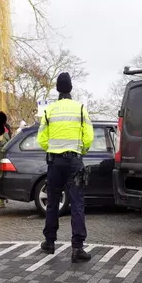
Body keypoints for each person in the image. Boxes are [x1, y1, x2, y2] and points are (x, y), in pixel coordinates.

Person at [37, 72, 94, 263]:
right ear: (70, 88)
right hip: (74, 161)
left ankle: (49, 242)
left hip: (55, 162)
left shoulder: (49, 110)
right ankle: (77, 248)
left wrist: (53, 149)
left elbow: (41, 139)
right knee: (77, 203)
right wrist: (80, 151)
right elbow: (89, 137)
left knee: (53, 202)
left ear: (57, 88)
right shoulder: (80, 108)